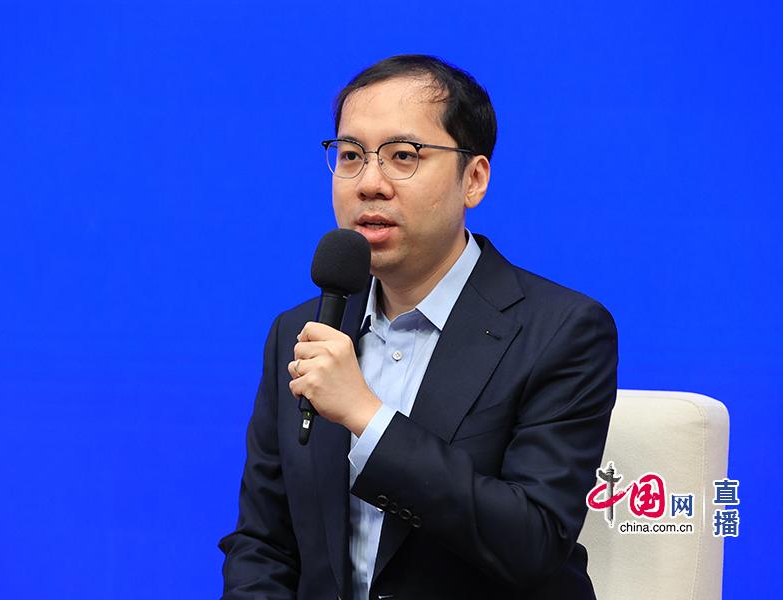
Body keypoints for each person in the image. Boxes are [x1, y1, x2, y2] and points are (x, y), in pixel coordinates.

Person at [219, 54, 618, 600]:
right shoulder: (301, 331)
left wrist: (366, 416)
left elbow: (533, 542)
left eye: (402, 156)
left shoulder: (562, 331)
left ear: (473, 179)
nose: (369, 183)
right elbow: (263, 543)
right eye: (351, 155)